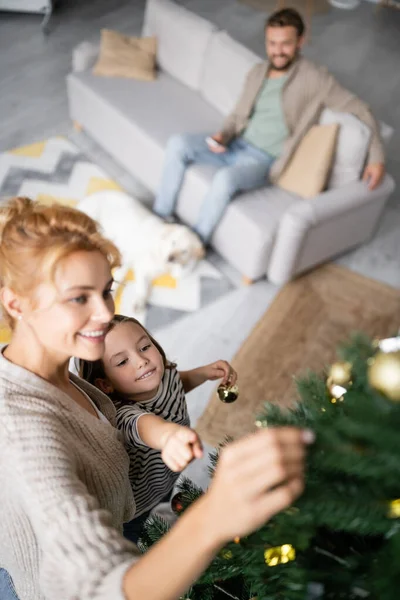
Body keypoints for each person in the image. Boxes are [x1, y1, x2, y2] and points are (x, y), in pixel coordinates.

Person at [0, 196, 313, 600]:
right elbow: (96, 589)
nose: (104, 314)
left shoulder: (56, 369)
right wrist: (214, 514)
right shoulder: (23, 432)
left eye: (106, 291)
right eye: (80, 298)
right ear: (16, 305)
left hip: (121, 512)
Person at [153, 7, 386, 244]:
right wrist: (223, 135)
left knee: (224, 180)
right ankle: (161, 219)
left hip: (262, 161)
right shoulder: (257, 73)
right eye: (272, 43)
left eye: (285, 44)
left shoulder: (316, 79)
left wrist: (376, 156)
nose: (278, 51)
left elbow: (362, 110)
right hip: (235, 145)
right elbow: (236, 116)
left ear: (300, 42)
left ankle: (195, 243)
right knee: (178, 144)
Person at [79, 313, 237, 543]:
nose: (141, 360)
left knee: (164, 497)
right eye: (123, 362)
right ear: (105, 384)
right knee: (134, 536)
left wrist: (203, 373)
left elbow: (177, 384)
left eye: (144, 347)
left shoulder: (166, 375)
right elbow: (145, 426)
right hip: (137, 503)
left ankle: (162, 509)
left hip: (165, 476)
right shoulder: (123, 415)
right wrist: (167, 436)